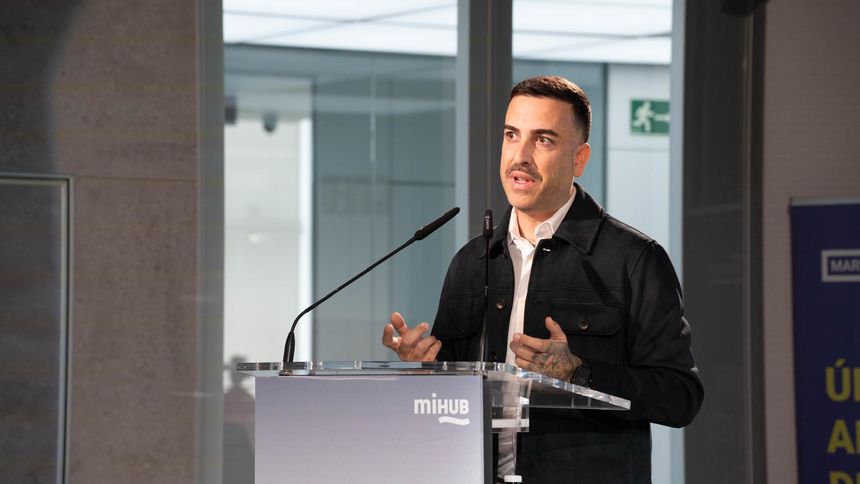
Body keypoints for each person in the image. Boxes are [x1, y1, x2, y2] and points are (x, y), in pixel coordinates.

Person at [381, 75, 704, 483]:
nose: (520, 156)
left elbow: (681, 397)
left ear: (579, 159)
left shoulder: (634, 259)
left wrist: (578, 373)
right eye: (512, 135)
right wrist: (429, 370)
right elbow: (455, 402)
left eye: (543, 140)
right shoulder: (471, 261)